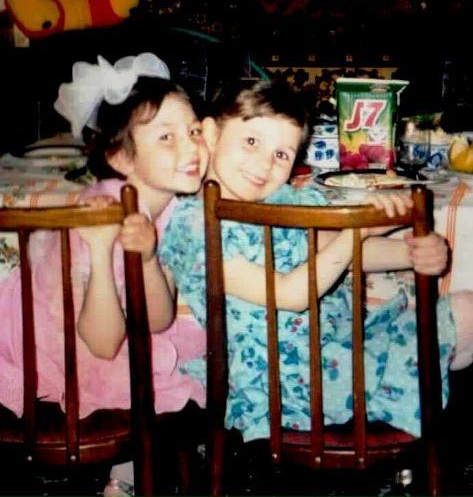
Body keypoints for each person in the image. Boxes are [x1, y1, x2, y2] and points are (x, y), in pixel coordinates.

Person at [159, 77, 473, 444]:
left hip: (336, 342)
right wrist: (356, 232)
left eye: (281, 154)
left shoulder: (280, 200)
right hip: (284, 383)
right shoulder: (195, 226)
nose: (264, 164)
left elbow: (338, 253)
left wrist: (412, 252)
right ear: (211, 134)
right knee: (452, 339)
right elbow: (289, 295)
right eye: (251, 141)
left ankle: (430, 417)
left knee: (466, 311)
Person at [0, 53, 210, 497]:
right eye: (167, 137)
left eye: (194, 131)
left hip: (119, 327)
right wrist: (99, 251)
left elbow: (158, 320)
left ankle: (128, 475)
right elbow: (101, 344)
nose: (192, 147)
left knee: (187, 349)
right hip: (59, 339)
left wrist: (148, 258)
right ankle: (124, 478)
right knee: (155, 375)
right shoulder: (101, 214)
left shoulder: (170, 204)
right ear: (120, 157)